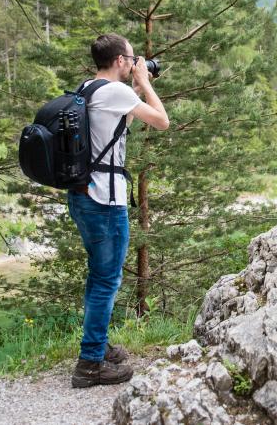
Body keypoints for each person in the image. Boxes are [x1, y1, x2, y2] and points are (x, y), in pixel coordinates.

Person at [69, 33, 169, 388]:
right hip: (105, 202)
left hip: (82, 196)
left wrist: (137, 88)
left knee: (98, 276)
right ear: (120, 62)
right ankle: (90, 365)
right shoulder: (117, 90)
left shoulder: (89, 88)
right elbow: (161, 120)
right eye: (131, 59)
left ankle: (96, 345)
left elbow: (118, 125)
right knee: (107, 280)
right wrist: (144, 83)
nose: (134, 62)